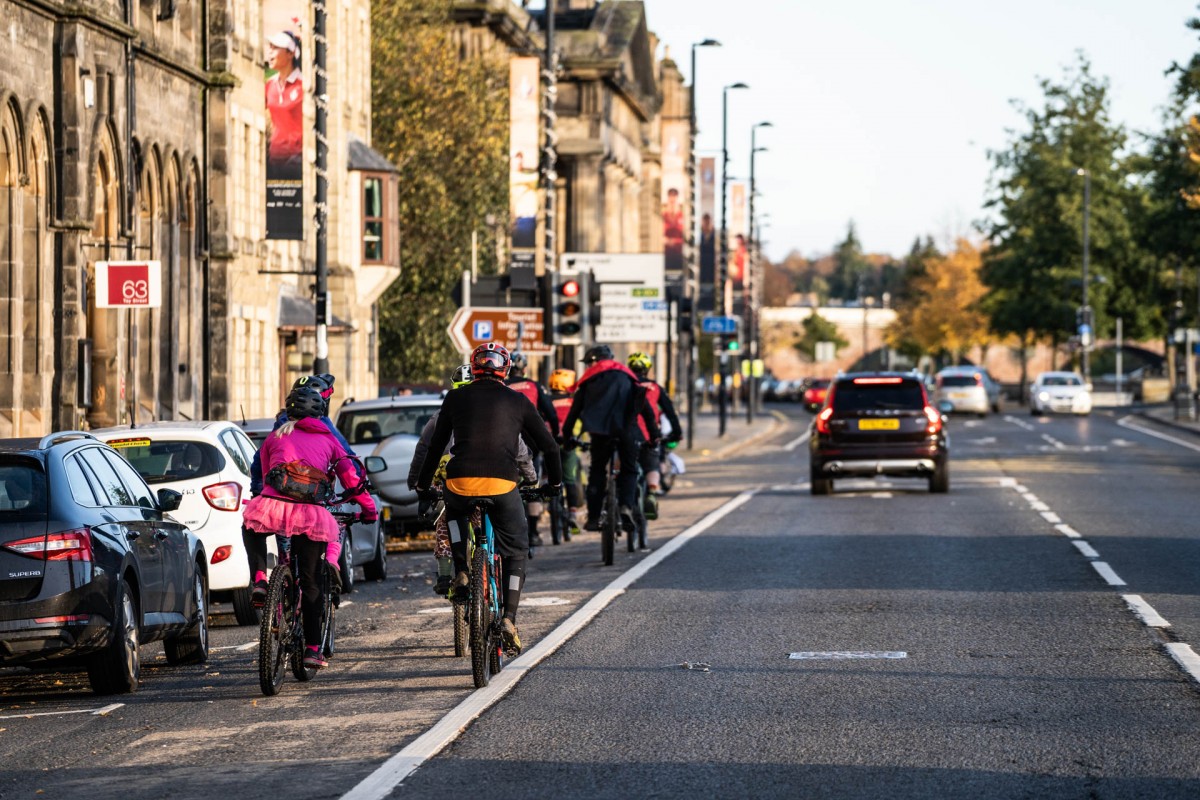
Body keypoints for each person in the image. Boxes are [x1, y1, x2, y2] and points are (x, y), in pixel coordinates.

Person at [415, 343, 562, 656]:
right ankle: (508, 618)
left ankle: (461, 570)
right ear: (505, 370)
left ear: (474, 366)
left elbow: (435, 445)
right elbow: (549, 446)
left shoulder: (454, 397)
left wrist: (424, 485)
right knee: (517, 550)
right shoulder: (519, 401)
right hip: (502, 485)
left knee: (454, 516)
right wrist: (553, 484)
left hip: (460, 481)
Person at [242, 384, 377, 669]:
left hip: (273, 506)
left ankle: (260, 580)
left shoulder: (275, 436)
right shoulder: (330, 440)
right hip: (310, 514)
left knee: (251, 526)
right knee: (311, 581)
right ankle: (313, 649)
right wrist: (369, 509)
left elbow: (267, 477)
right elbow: (351, 479)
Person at [407, 365, 537, 595]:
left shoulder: (439, 418)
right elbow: (521, 452)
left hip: (452, 483)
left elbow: (424, 451)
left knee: (447, 523)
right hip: (496, 483)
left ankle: (449, 574)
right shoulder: (498, 416)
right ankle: (492, 569)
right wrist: (531, 479)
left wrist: (417, 483)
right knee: (496, 524)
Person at [561, 344, 659, 536]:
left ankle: (594, 517)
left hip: (600, 432)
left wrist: (567, 437)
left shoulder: (589, 381)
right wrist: (654, 435)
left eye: (589, 363)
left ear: (594, 362)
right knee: (629, 470)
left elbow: (573, 413)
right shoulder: (628, 376)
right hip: (627, 431)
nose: (588, 367)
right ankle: (625, 507)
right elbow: (644, 406)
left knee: (597, 470)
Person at [505, 352, 560, 547]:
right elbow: (551, 413)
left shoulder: (503, 387)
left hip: (507, 443)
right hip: (532, 442)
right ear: (525, 369)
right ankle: (534, 532)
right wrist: (557, 434)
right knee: (533, 484)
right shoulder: (535, 386)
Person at [626, 352, 683, 523]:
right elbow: (670, 412)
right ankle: (651, 492)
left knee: (622, 465)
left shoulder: (624, 385)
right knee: (652, 466)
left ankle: (620, 497)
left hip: (626, 433)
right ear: (648, 369)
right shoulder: (655, 388)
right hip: (649, 434)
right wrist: (677, 432)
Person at [548, 368, 584, 537]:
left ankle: (544, 501)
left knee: (547, 475)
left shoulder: (547, 400)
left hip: (548, 443)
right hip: (569, 444)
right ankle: (573, 513)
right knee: (570, 478)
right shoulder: (573, 401)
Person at [265, 30, 303, 174]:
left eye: (275, 48)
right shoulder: (269, 85)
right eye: (270, 47)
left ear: (290, 53)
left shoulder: (302, 85)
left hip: (296, 159)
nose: (270, 53)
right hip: (275, 158)